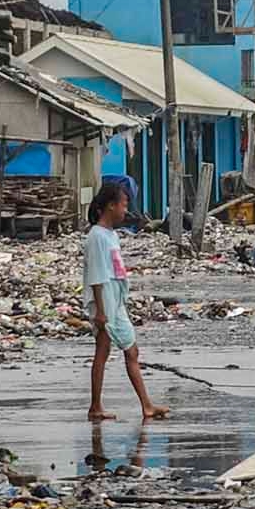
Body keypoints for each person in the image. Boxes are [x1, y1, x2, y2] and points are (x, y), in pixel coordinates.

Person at [85, 180, 167, 422]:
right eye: (123, 204)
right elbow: (97, 276)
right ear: (111, 206)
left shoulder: (110, 235)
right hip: (106, 303)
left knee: (118, 351)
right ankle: (106, 406)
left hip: (114, 301)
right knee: (117, 352)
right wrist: (101, 311)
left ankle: (133, 405)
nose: (125, 210)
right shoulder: (97, 236)